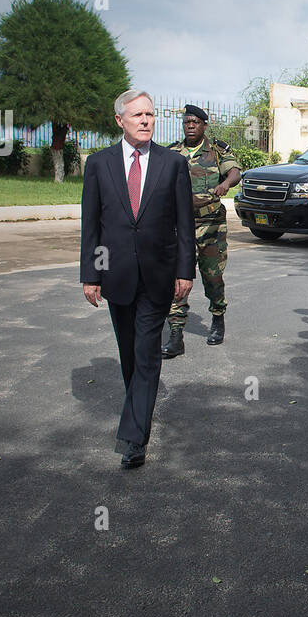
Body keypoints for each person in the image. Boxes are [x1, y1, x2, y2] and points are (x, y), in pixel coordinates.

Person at [80, 89, 195, 469]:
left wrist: (184, 270)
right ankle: (139, 410)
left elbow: (184, 223)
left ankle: (134, 438)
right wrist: (91, 275)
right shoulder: (99, 165)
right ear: (120, 120)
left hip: (158, 276)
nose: (146, 120)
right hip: (117, 276)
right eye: (138, 115)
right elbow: (92, 226)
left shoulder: (172, 163)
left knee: (146, 353)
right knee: (128, 353)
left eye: (150, 114)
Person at [161, 105, 240, 356]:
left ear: (204, 125)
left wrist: (226, 184)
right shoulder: (172, 152)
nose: (190, 126)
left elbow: (235, 172)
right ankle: (176, 335)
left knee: (212, 277)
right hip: (180, 227)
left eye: (195, 122)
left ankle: (218, 315)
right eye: (186, 122)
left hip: (212, 227)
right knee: (178, 279)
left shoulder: (217, 150)